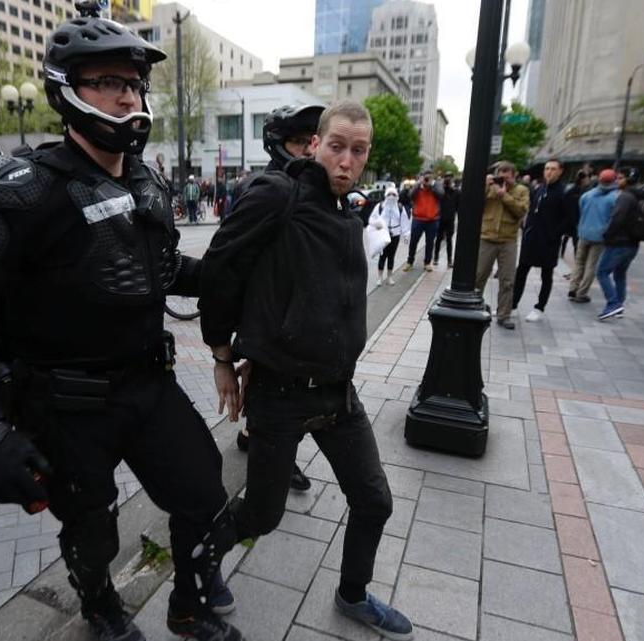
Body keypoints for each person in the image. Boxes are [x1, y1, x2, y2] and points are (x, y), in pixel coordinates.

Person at [0, 6, 242, 640]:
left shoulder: (147, 181)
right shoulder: (21, 189)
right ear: (66, 89)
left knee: (205, 498)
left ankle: (187, 604)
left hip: (148, 386)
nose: (126, 97)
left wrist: (233, 274)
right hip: (63, 405)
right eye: (107, 82)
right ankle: (100, 607)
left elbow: (159, 264)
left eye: (132, 84)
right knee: (92, 531)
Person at [199, 100, 411, 641]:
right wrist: (224, 356)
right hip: (280, 394)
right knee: (263, 516)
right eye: (336, 146)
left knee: (375, 501)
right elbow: (221, 269)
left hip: (338, 395)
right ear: (315, 145)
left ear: (366, 156)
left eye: (357, 150)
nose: (345, 160)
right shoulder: (279, 194)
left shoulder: (348, 210)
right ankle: (201, 557)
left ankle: (353, 594)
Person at [227, 102, 325, 493]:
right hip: (266, 311)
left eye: (311, 141)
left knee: (274, 380)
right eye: (299, 141)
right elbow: (232, 254)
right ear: (277, 143)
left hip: (296, 308)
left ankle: (253, 436)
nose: (308, 150)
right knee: (277, 384)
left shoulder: (314, 185)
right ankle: (275, 460)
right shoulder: (261, 188)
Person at [514, 158, 572, 322]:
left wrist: (554, 235)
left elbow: (568, 219)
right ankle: (512, 304)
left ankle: (539, 307)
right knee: (521, 271)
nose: (549, 172)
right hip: (531, 238)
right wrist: (526, 231)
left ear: (560, 171)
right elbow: (532, 211)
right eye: (547, 168)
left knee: (546, 275)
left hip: (548, 241)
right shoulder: (540, 188)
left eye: (553, 169)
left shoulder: (564, 192)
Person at [476, 160, 530, 329]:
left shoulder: (521, 190)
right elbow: (476, 205)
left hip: (508, 240)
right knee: (479, 276)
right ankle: (475, 306)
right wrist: (485, 186)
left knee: (507, 280)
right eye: (500, 176)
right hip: (486, 237)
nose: (503, 180)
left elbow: (521, 211)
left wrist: (504, 196)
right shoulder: (489, 187)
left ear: (514, 176)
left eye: (507, 176)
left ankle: (504, 315)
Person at [595, 167, 643, 320]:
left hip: (619, 243)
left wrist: (606, 235)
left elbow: (617, 218)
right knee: (620, 275)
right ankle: (618, 306)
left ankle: (613, 303)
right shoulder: (637, 195)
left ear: (628, 180)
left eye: (620, 178)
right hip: (632, 243)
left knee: (602, 272)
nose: (617, 181)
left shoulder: (625, 197)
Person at [568, 169, 619, 303]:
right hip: (600, 236)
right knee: (591, 266)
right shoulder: (614, 197)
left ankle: (573, 287)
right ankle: (581, 293)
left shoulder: (587, 195)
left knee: (579, 263)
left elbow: (580, 211)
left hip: (583, 233)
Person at [402, 171, 442, 272]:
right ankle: (410, 262)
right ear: (422, 178)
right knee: (413, 241)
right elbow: (410, 196)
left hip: (432, 220)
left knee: (430, 242)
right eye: (425, 178)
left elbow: (441, 195)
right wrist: (418, 184)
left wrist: (432, 186)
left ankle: (427, 263)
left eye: (429, 178)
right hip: (418, 219)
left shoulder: (436, 186)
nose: (427, 180)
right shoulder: (417, 186)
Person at [374, 186, 410, 285]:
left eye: (393, 194)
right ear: (386, 195)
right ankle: (380, 277)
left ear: (397, 196)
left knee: (391, 256)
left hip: (395, 235)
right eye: (389, 194)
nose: (391, 196)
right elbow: (374, 219)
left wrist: (406, 236)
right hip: (383, 235)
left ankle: (390, 277)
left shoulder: (400, 208)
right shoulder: (380, 206)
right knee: (382, 256)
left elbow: (404, 222)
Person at [432, 172, 459, 268]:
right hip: (440, 218)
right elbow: (435, 193)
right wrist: (441, 186)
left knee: (449, 240)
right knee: (438, 239)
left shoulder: (456, 192)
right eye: (446, 178)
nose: (448, 180)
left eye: (450, 178)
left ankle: (449, 260)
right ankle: (435, 258)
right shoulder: (441, 191)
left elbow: (458, 207)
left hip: (450, 219)